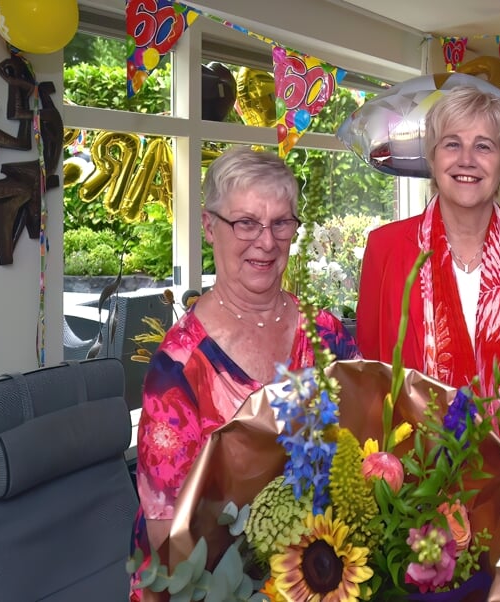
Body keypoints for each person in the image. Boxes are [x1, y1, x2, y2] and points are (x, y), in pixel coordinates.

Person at [130, 146, 360, 598]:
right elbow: (168, 538)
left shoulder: (328, 336)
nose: (267, 241)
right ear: (208, 226)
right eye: (246, 223)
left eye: (281, 223)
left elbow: (364, 453)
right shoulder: (178, 368)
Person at [356, 85, 500, 507]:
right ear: (432, 157)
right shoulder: (385, 248)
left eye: (484, 146)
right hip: (414, 501)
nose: (466, 160)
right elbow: (371, 380)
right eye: (452, 144)